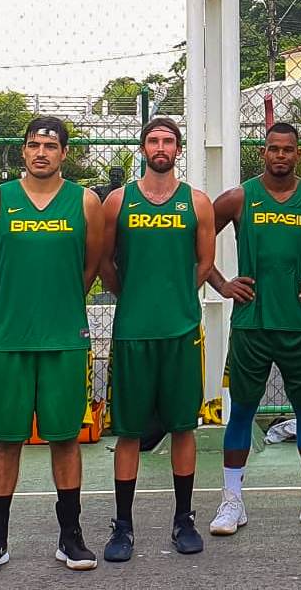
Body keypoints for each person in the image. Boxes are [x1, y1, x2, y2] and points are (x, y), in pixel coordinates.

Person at [0, 116, 103, 576]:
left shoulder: (85, 202)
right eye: (32, 145)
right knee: (7, 441)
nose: (40, 152)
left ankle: (71, 538)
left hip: (65, 337)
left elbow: (90, 266)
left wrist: (57, 305)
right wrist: (16, 306)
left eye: (50, 145)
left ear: (65, 152)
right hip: (10, 337)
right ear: (22, 152)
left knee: (66, 440)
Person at [205, 122, 301, 536]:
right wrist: (221, 282)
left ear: (298, 154)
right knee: (242, 413)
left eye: (288, 149)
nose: (280, 155)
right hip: (251, 323)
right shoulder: (237, 198)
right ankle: (232, 502)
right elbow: (197, 239)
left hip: (300, 324)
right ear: (262, 153)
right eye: (273, 149)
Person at [98, 117, 216, 561]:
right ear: (143, 148)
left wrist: (178, 297)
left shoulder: (197, 203)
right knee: (128, 432)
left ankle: (183, 519)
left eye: (168, 140)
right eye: (153, 140)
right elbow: (106, 261)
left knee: (183, 428)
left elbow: (205, 263)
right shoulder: (117, 201)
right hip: (132, 333)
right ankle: (122, 525)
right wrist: (132, 297)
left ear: (178, 150)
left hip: (182, 331)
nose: (160, 147)